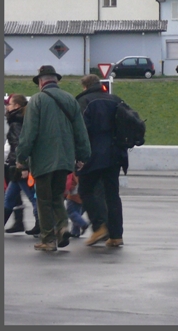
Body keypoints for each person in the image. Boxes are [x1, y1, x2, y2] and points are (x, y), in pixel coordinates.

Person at [15, 66, 91, 252]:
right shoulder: (70, 100)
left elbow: (29, 133)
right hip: (65, 160)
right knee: (57, 196)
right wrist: (83, 155)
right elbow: (81, 131)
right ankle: (63, 227)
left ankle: (48, 239)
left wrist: (21, 157)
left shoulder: (37, 101)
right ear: (56, 80)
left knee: (43, 199)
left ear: (41, 82)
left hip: (43, 160)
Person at [75, 73, 128, 248]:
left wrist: (78, 156)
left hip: (93, 155)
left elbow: (80, 131)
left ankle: (99, 227)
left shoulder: (84, 102)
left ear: (85, 86)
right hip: (115, 154)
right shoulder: (115, 99)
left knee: (86, 190)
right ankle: (116, 236)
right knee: (112, 195)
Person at [4, 94, 39, 236]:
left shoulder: (17, 122)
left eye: (9, 104)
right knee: (9, 197)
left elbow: (19, 145)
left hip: (19, 166)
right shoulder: (23, 119)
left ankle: (42, 226)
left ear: (17, 106)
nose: (7, 107)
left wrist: (23, 166)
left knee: (32, 197)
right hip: (17, 165)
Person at [64, 171, 89, 237]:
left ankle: (83, 224)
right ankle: (75, 231)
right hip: (81, 194)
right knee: (77, 212)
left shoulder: (73, 170)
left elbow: (69, 183)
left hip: (73, 195)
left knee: (71, 212)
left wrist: (65, 192)